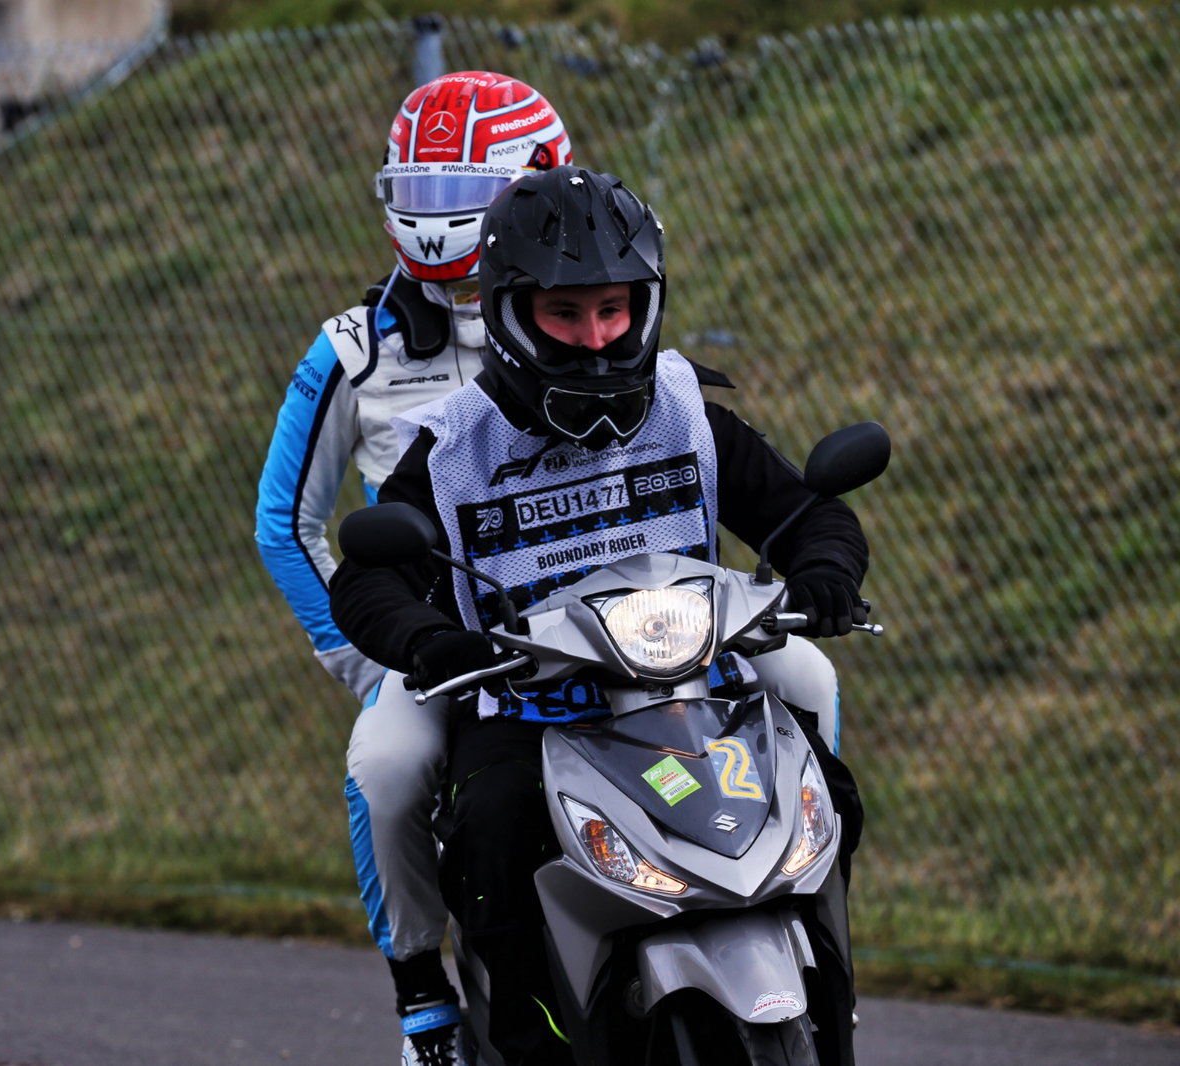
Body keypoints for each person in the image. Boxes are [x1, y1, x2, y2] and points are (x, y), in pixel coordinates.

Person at [328, 165, 868, 1066]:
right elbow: (365, 582)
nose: (596, 339)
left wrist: (823, 573)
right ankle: (456, 1014)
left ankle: (828, 997)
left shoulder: (687, 408)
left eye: (615, 311)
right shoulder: (452, 445)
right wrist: (430, 640)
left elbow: (810, 514)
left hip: (696, 680)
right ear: (507, 312)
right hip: (525, 704)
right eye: (565, 315)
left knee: (823, 762)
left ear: (646, 303)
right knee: (468, 818)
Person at [254, 71, 574, 1066]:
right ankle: (424, 1002)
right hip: (446, 646)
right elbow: (284, 522)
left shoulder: (594, 307)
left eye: (461, 196)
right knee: (384, 768)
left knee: (798, 687)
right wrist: (371, 662)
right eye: (421, 194)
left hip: (604, 624)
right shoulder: (353, 349)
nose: (437, 225)